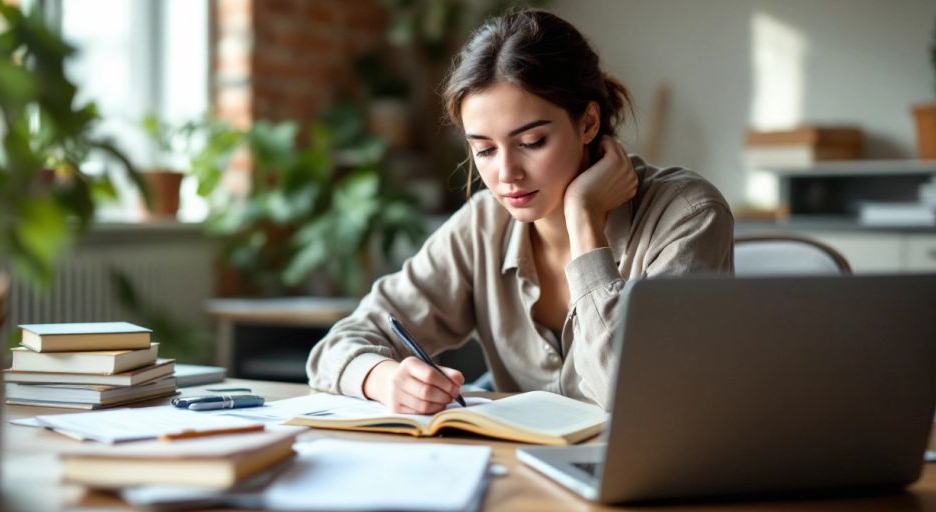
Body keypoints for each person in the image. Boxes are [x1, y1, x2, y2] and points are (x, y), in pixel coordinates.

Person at [306, 9, 733, 414]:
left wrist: (583, 217)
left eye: (531, 142)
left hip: (649, 479)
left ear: (587, 123)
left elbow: (637, 397)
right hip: (515, 477)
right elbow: (336, 347)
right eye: (485, 150)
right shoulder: (482, 224)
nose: (506, 173)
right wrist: (384, 379)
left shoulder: (688, 215)